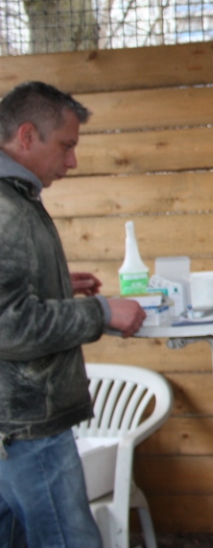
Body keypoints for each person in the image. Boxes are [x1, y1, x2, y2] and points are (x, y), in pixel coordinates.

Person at [0, 81, 147, 548]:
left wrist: (57, 283)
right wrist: (100, 312)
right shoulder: (6, 209)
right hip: (28, 427)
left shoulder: (15, 197)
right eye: (66, 146)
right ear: (27, 135)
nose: (73, 161)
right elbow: (9, 324)